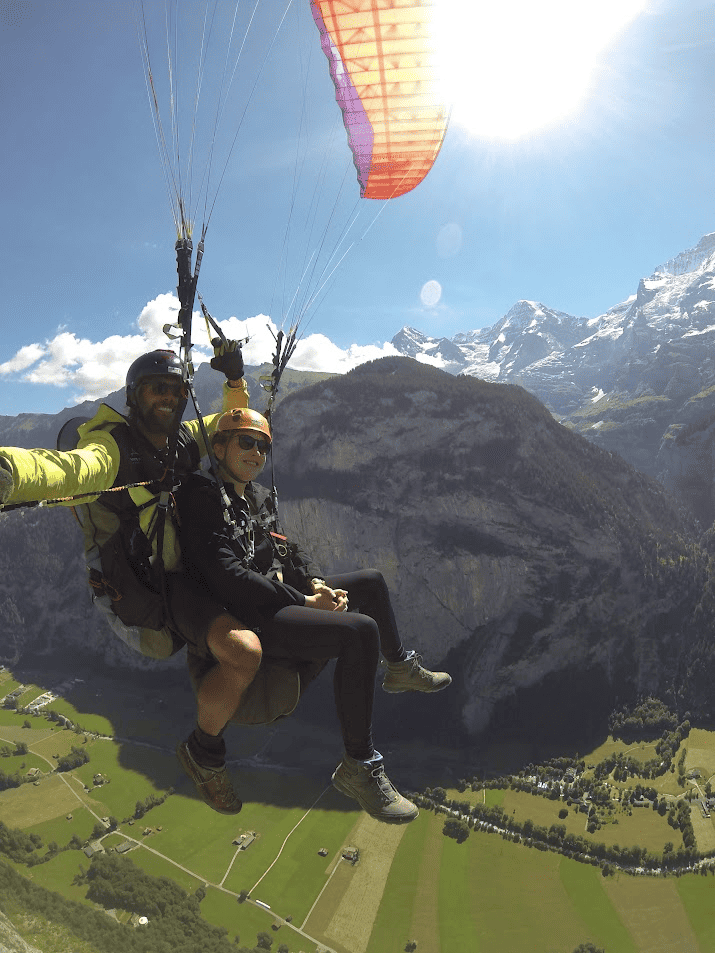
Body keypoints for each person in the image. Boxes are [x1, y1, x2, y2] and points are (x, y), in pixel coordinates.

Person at [0, 344, 261, 816]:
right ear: (133, 396)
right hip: (137, 594)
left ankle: (220, 694)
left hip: (178, 572)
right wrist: (11, 472)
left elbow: (230, 427)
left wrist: (235, 383)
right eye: (155, 388)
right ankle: (208, 737)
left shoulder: (182, 439)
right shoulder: (111, 447)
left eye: (176, 389)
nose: (167, 397)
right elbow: (72, 470)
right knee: (224, 639)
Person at [176, 407, 452, 823]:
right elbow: (227, 575)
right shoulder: (202, 496)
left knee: (371, 581)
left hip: (279, 594)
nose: (256, 453)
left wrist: (316, 583)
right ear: (219, 447)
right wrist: (305, 603)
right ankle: (360, 766)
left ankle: (398, 667)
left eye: (263, 446)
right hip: (250, 611)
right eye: (246, 442)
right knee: (359, 632)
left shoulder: (253, 495)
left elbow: (285, 547)